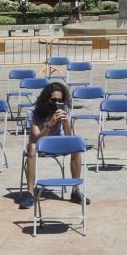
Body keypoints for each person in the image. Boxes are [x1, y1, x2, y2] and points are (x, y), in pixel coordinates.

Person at [19, 81, 85, 210]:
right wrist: (50, 124)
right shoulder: (33, 111)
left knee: (76, 146)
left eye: (59, 100)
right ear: (46, 98)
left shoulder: (64, 108)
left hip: (58, 142)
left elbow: (68, 137)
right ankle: (30, 193)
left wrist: (65, 122)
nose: (56, 103)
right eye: (53, 100)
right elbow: (35, 138)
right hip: (42, 144)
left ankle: (75, 191)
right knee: (31, 148)